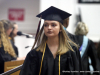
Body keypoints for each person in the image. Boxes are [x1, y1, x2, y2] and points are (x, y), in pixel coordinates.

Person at [19, 6, 81, 75]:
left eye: (53, 25)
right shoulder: (35, 53)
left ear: (60, 28)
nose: (49, 28)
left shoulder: (72, 50)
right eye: (46, 25)